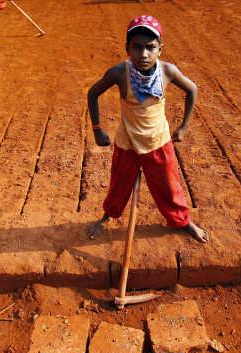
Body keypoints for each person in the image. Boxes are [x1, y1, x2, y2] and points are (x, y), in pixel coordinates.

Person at [86, 15, 209, 243]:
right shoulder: (119, 73)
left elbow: (192, 89)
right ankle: (108, 216)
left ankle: (182, 220)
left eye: (150, 48)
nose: (144, 54)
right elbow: (92, 93)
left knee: (169, 185)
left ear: (160, 49)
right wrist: (96, 129)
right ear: (127, 48)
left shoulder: (168, 71)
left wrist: (183, 127)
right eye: (137, 47)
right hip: (128, 142)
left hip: (158, 141)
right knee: (119, 184)